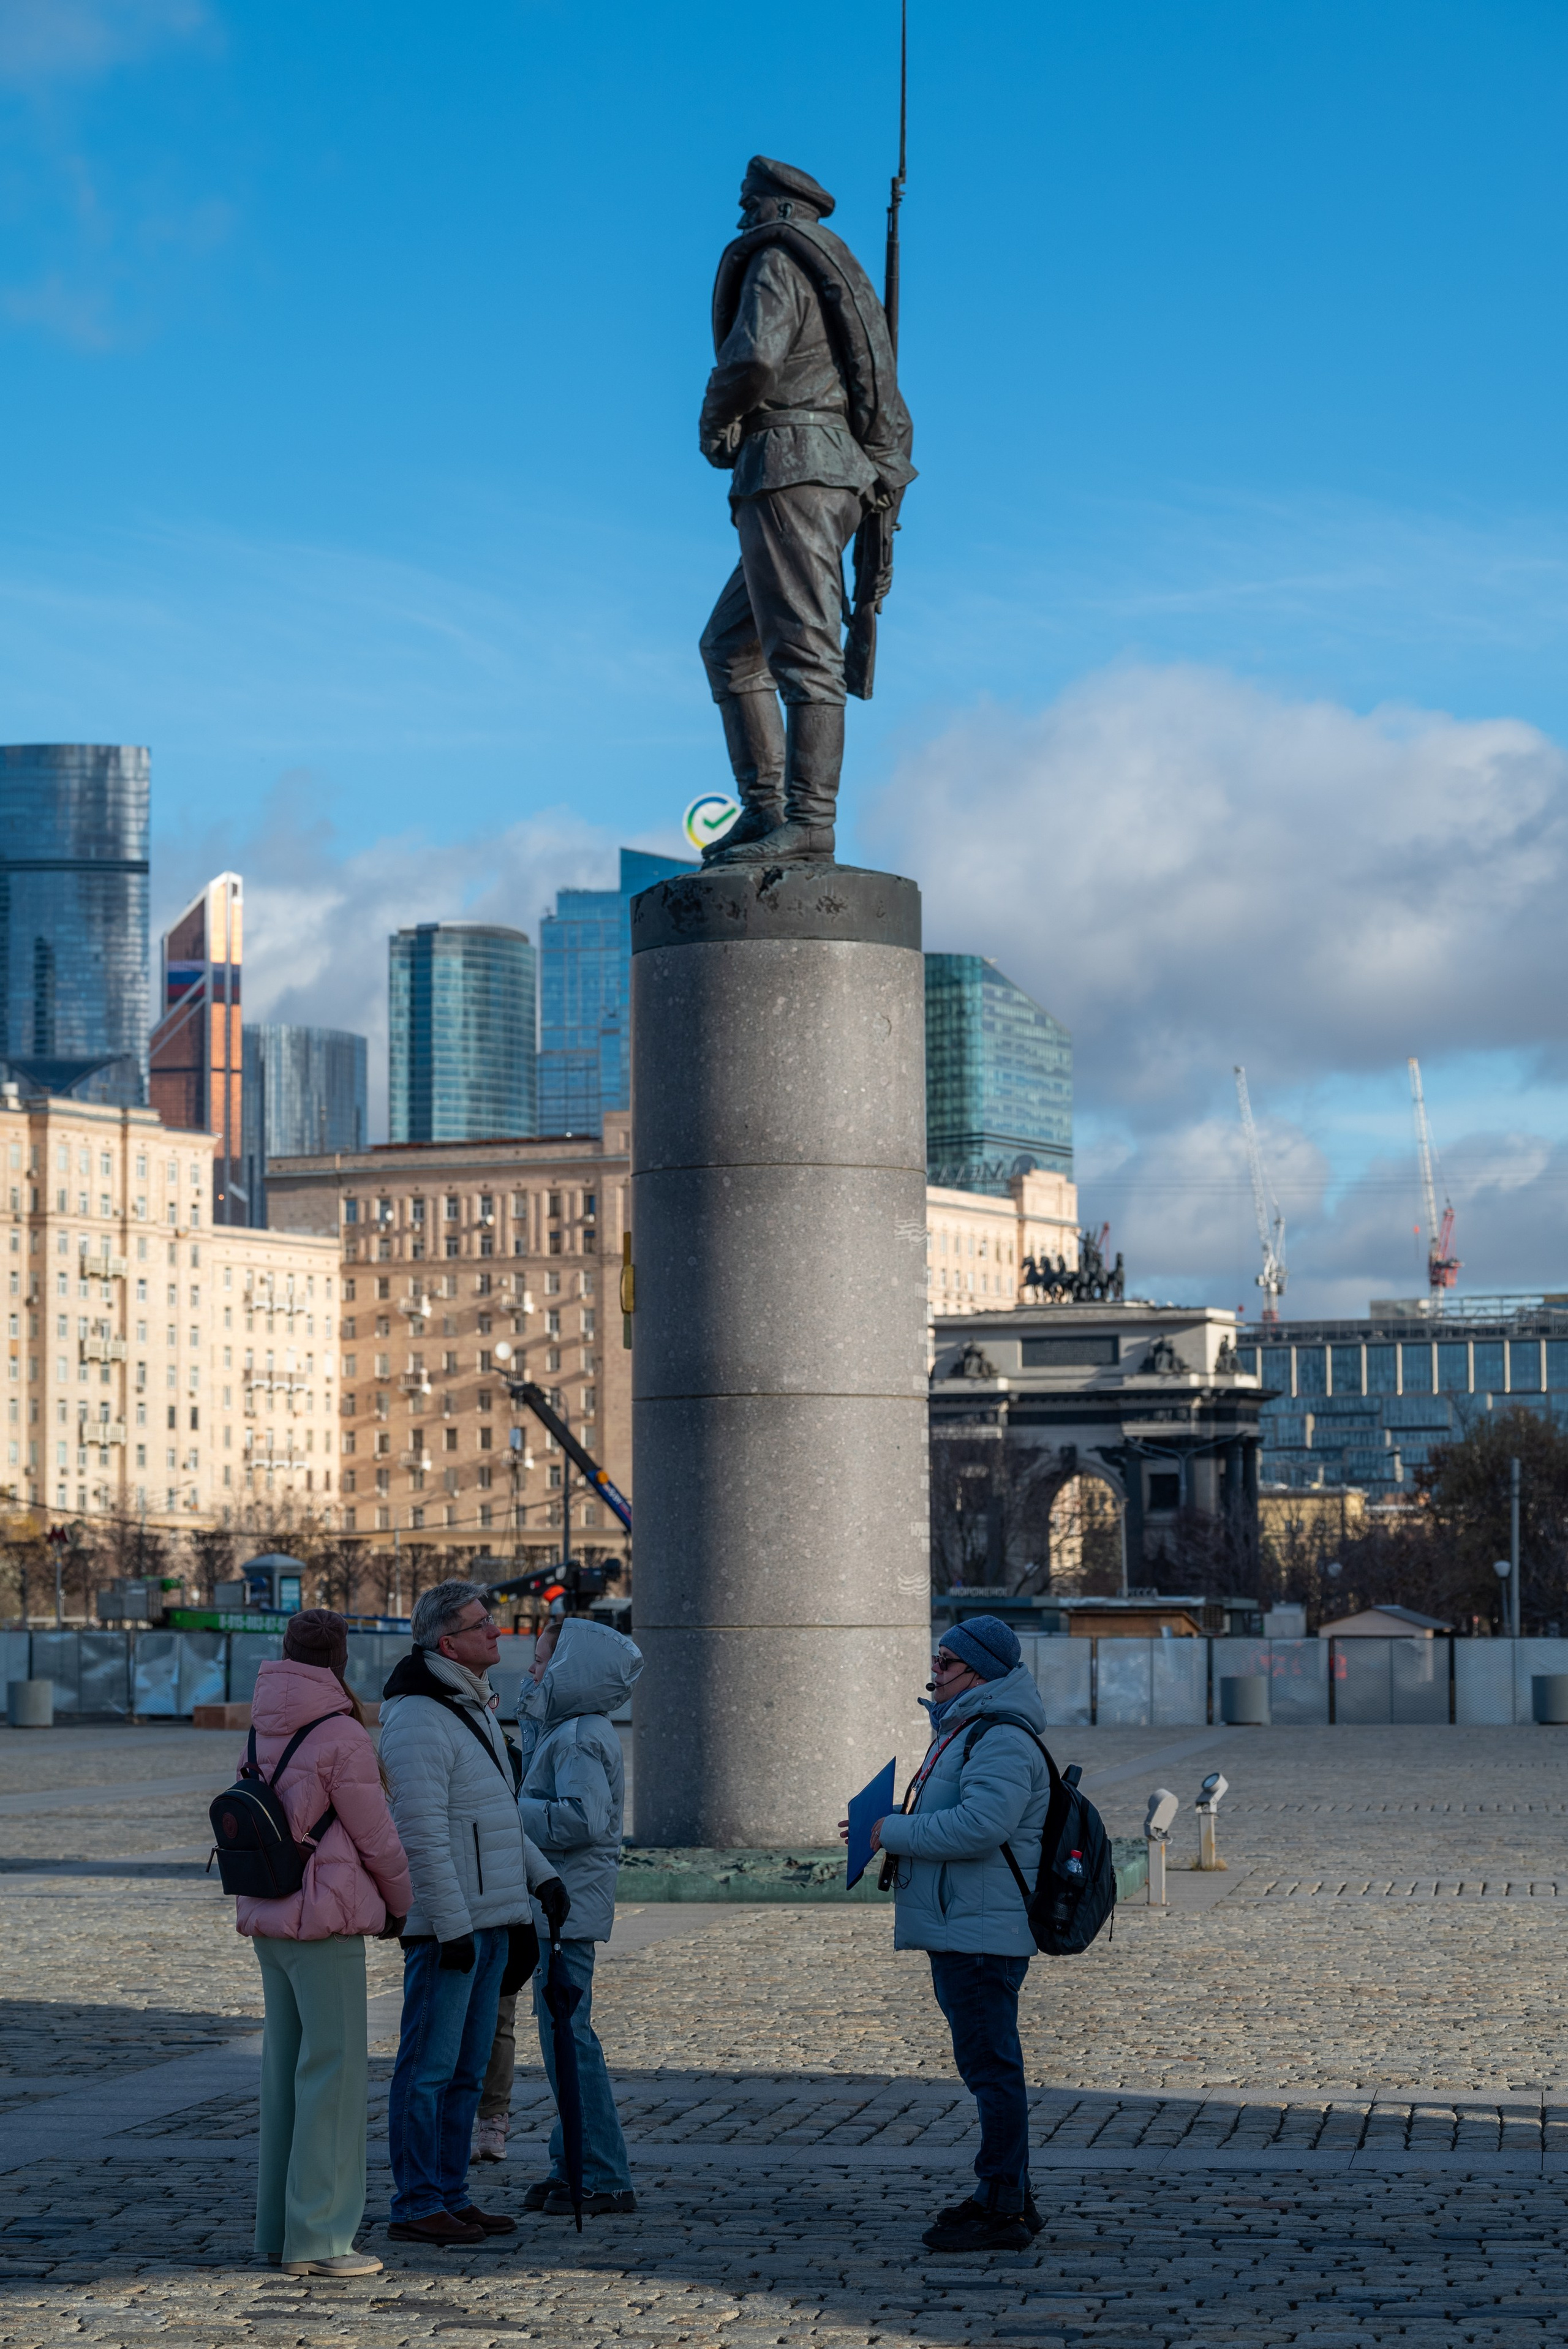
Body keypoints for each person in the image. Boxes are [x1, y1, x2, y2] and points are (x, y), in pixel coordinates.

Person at [697, 154, 914, 867]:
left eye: (747, 203)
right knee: (731, 647)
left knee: (805, 655)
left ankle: (808, 821)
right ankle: (765, 810)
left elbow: (754, 360)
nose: (740, 217)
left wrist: (713, 413)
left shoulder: (777, 263)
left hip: (792, 467)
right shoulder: (829, 270)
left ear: (776, 207)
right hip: (822, 472)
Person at [846, 1615, 1050, 2254]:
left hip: (981, 1930)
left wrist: (892, 1833)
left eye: (946, 1663)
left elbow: (980, 1827)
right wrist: (882, 1826)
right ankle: (1009, 2193)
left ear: (980, 1671)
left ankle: (1001, 2204)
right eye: (936, 1660)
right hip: (962, 1922)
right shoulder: (965, 1730)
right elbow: (951, 1815)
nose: (933, 1672)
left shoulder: (999, 1737)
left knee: (992, 2068)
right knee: (986, 2063)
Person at [380, 1579, 570, 2247]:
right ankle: (416, 2201)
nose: (496, 1630)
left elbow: (495, 1817)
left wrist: (540, 1877)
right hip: (452, 1929)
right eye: (481, 1623)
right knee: (428, 2071)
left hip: (492, 1919)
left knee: (465, 2072)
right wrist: (449, 1924)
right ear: (446, 1640)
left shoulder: (471, 1704)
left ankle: (451, 2193)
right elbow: (421, 1833)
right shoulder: (417, 1716)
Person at [238, 1608, 413, 2279]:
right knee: (333, 2079)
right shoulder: (341, 1732)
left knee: (284, 2074)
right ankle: (322, 2238)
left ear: (285, 1653)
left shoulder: (263, 1723)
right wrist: (402, 1905)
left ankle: (277, 2232)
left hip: (270, 1914)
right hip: (328, 1919)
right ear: (341, 1659)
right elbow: (378, 1838)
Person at [516, 1612, 643, 2217]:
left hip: (566, 1908)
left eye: (542, 1662)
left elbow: (582, 1819)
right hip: (560, 1904)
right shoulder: (567, 1729)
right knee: (561, 2037)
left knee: (570, 2039)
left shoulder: (580, 1736)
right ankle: (572, 2164)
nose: (532, 1672)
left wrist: (511, 1813)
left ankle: (602, 2172)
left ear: (572, 1672)